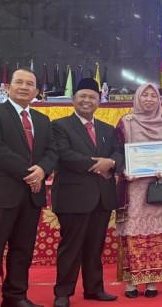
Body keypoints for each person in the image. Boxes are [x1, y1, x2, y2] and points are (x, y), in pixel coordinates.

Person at [0, 69, 56, 307]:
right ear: (8, 87)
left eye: (30, 84)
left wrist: (43, 169)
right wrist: (31, 173)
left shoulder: (42, 120)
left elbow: (52, 151)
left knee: (22, 250)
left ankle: (16, 296)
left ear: (37, 92)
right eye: (19, 82)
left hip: (31, 196)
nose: (24, 87)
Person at [50, 78, 120, 306]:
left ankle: (94, 288)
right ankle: (63, 293)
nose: (87, 100)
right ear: (74, 99)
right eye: (83, 96)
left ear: (99, 101)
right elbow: (65, 155)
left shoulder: (107, 129)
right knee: (71, 247)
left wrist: (111, 162)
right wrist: (100, 164)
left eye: (92, 97)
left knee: (94, 247)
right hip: (73, 198)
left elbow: (118, 153)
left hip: (102, 198)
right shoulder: (59, 126)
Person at [115, 83, 162, 299]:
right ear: (137, 98)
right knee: (132, 235)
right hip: (132, 188)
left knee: (155, 237)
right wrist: (124, 170)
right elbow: (117, 151)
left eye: (154, 95)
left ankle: (152, 281)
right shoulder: (126, 122)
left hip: (156, 187)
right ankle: (131, 283)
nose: (150, 99)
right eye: (145, 95)